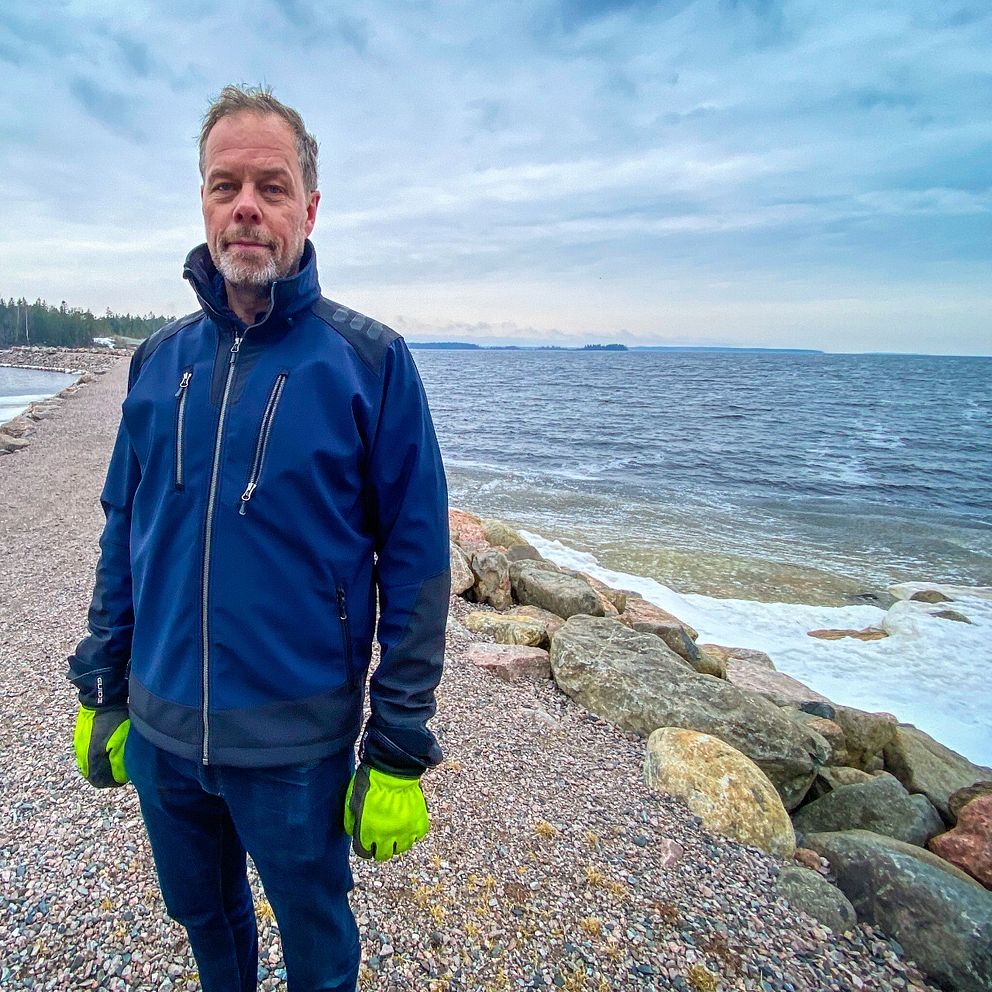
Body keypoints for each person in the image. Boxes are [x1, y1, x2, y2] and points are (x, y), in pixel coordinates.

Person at [67, 84, 450, 992]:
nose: (246, 205)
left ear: (308, 209)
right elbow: (125, 527)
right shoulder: (157, 362)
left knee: (317, 940)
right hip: (161, 729)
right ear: (203, 202)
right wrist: (102, 684)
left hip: (295, 745)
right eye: (225, 184)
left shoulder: (369, 362)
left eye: (270, 187)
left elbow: (417, 561)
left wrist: (398, 745)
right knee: (203, 918)